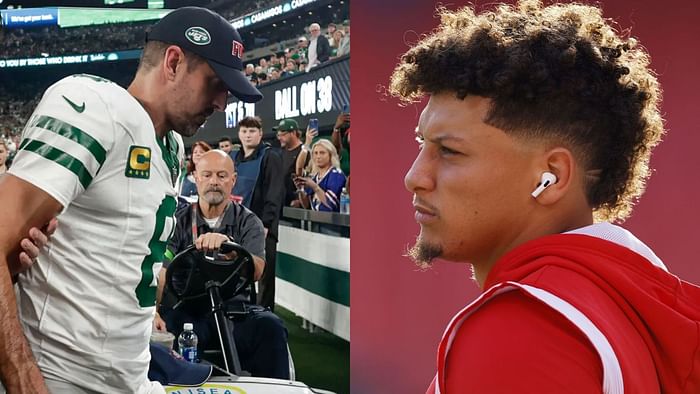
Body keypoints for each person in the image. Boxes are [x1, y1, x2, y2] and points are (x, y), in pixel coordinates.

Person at [389, 1, 700, 393]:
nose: (414, 177)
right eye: (422, 143)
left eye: (449, 151)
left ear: (551, 177)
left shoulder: (521, 328)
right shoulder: (630, 306)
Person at [0, 6, 262, 393]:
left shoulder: (171, 146)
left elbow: (122, 258)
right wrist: (23, 378)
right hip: (62, 377)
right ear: (173, 62)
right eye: (215, 83)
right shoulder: (92, 106)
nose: (222, 102)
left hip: (128, 376)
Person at [155, 150, 290, 379]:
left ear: (233, 180)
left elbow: (257, 269)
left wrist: (230, 248)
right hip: (189, 312)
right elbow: (163, 272)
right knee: (164, 330)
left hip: (237, 313)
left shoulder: (249, 221)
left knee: (271, 326)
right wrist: (155, 311)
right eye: (207, 175)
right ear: (195, 178)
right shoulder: (178, 222)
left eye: (221, 175)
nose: (214, 182)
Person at [232, 116, 283, 310]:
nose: (247, 135)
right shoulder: (234, 158)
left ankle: (265, 315)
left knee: (264, 277)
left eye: (252, 131)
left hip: (263, 227)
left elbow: (275, 193)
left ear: (260, 134)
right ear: (239, 134)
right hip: (238, 225)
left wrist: (266, 225)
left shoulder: (270, 157)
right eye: (244, 131)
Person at [296, 139, 346, 212]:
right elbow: (306, 206)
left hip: (332, 222)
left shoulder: (336, 175)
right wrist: (300, 189)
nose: (318, 156)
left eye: (322, 153)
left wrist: (315, 187)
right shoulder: (315, 177)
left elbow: (330, 206)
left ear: (330, 154)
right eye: (315, 153)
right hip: (316, 220)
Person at [274, 118, 306, 207]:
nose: (279, 138)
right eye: (278, 135)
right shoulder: (280, 152)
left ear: (293, 133)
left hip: (297, 205)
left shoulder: (304, 151)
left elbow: (308, 177)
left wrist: (300, 199)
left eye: (283, 135)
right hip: (281, 203)